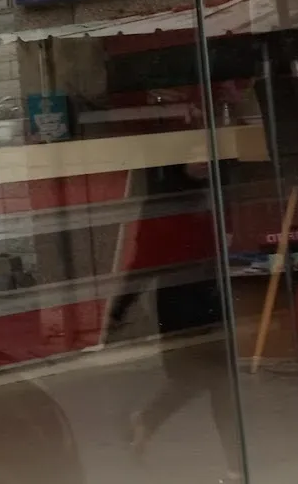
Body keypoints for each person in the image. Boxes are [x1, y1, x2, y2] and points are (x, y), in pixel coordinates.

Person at [107, 161, 239, 465]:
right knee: (198, 379)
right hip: (180, 303)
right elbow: (143, 262)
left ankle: (235, 466)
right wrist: (120, 307)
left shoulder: (215, 193)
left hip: (212, 298)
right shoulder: (164, 201)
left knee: (219, 383)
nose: (204, 162)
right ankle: (149, 420)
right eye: (196, 155)